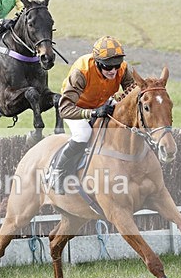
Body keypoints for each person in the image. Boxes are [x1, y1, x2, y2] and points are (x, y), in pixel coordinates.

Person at [48, 36, 138, 194]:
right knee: (84, 134)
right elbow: (64, 109)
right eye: (108, 67)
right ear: (97, 63)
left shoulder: (122, 69)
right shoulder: (81, 72)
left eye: (116, 65)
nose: (113, 71)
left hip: (102, 103)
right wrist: (94, 113)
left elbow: (134, 93)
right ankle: (57, 170)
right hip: (75, 107)